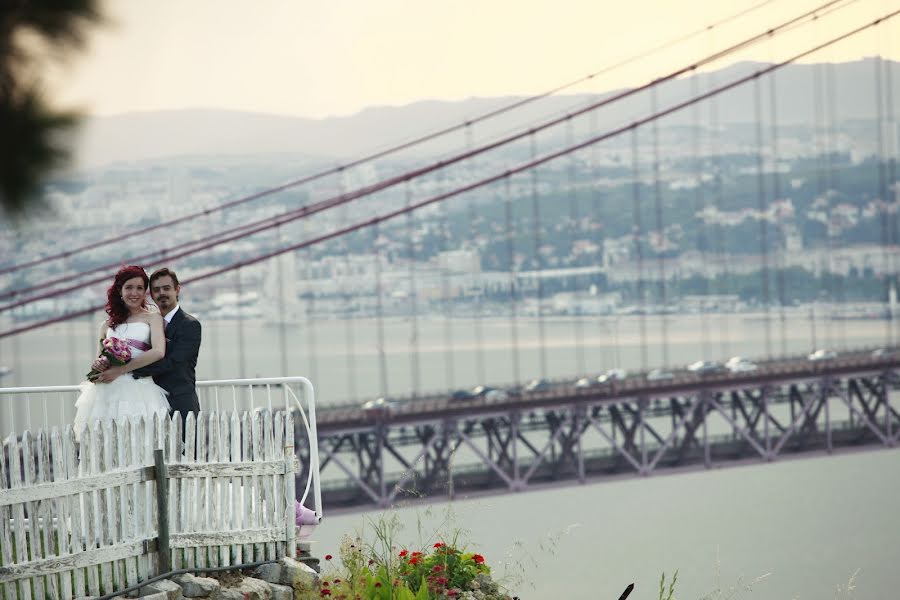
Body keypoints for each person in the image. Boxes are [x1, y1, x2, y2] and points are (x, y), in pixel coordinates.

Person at [73, 265, 170, 439]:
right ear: (119, 290)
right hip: (106, 393)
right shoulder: (106, 325)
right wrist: (100, 364)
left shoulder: (152, 317)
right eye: (129, 287)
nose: (135, 293)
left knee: (140, 440)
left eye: (140, 288)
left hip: (139, 390)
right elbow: (99, 360)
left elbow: (158, 352)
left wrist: (121, 370)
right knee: (106, 442)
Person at [130, 267, 202, 422]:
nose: (161, 293)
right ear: (151, 295)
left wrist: (128, 370)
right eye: (156, 290)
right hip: (148, 406)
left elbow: (173, 363)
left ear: (177, 290)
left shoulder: (190, 325)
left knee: (186, 447)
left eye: (166, 288)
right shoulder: (146, 327)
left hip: (180, 406)